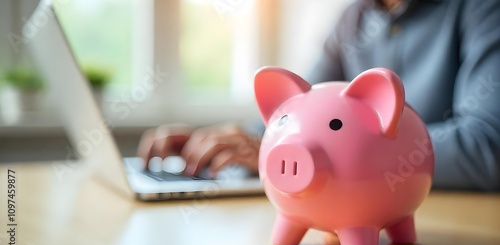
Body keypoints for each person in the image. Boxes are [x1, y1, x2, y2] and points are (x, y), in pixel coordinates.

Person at [138, 0, 500, 191]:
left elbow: (487, 146)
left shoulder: (482, 9)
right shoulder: (353, 18)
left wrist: (332, 154)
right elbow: (297, 114)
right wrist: (228, 142)